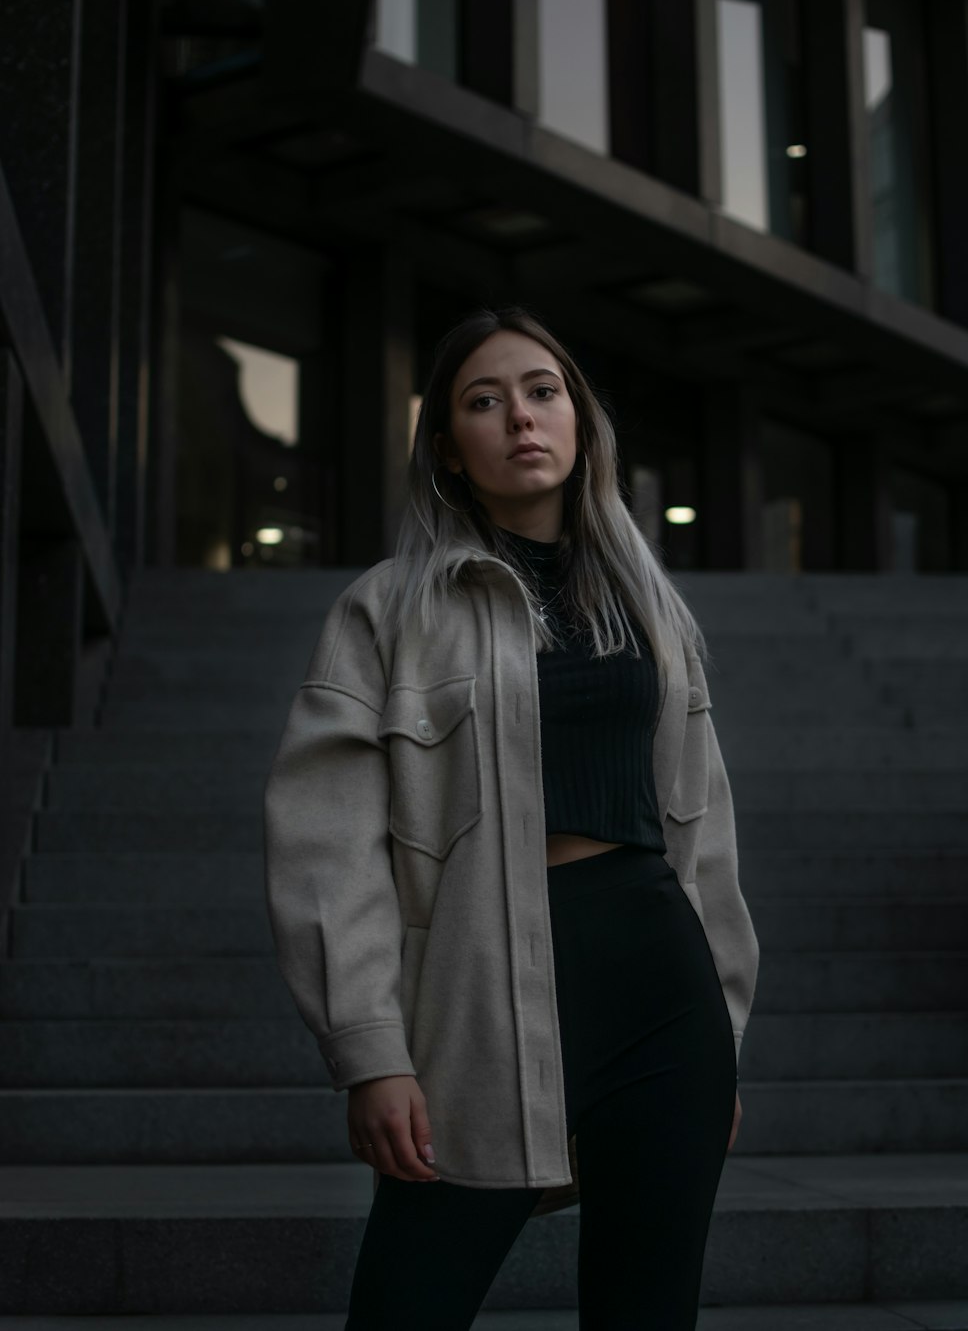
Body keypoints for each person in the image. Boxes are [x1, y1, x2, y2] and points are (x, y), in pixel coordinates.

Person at [263, 305, 761, 1329]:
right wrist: (373, 1049)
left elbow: (701, 834)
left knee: (646, 1310)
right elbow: (327, 846)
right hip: (478, 990)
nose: (520, 418)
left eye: (543, 392)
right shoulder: (386, 609)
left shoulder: (649, 606)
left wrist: (727, 1030)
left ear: (579, 421)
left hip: (662, 987)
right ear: (448, 447)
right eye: (483, 401)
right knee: (408, 1304)